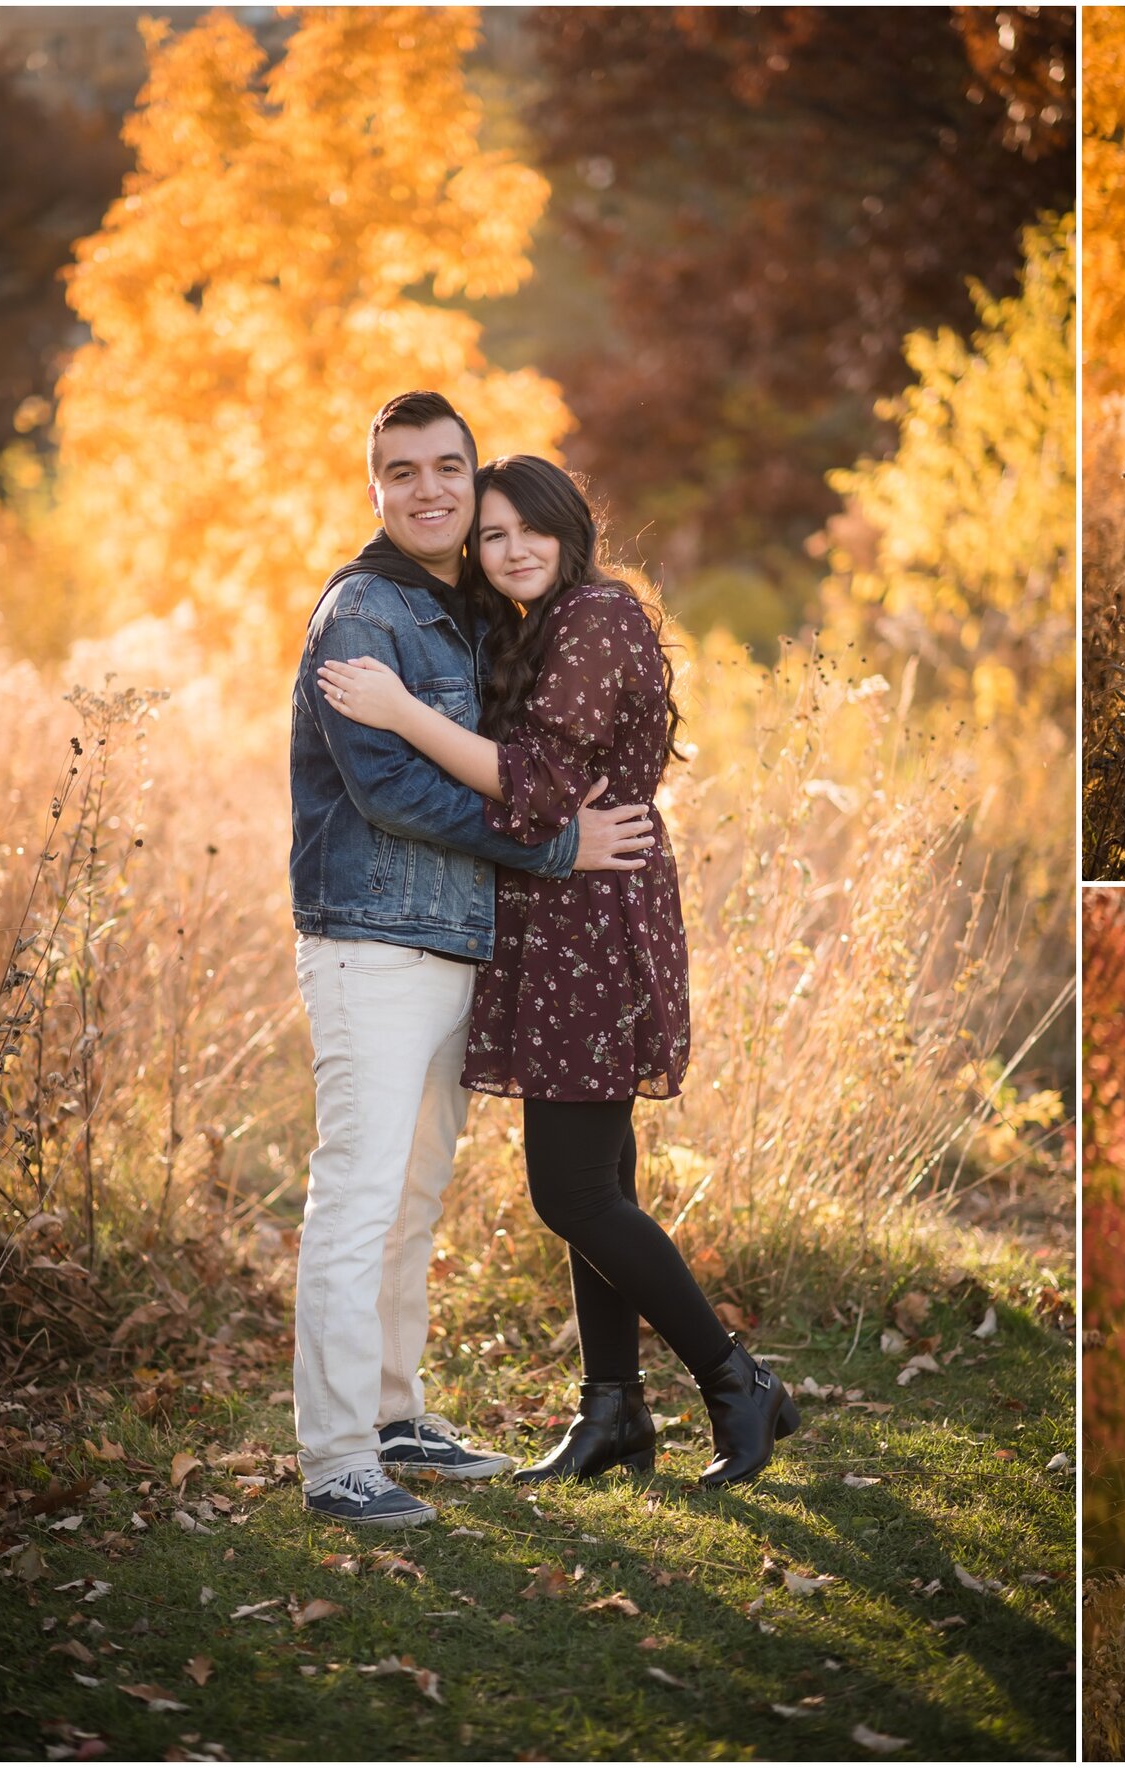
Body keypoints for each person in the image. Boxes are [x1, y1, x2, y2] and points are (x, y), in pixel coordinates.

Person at [318, 454, 799, 1491]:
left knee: (572, 1190)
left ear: (570, 529)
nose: (511, 548)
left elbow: (533, 786)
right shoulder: (537, 627)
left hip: (594, 922)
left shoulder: (597, 619)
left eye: (529, 528)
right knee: (602, 1178)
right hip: (549, 918)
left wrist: (400, 710)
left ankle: (733, 1378)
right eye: (492, 537)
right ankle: (613, 1409)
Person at [290, 391, 657, 1529]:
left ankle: (396, 1414)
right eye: (404, 472)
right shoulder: (364, 613)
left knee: (412, 1199)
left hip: (458, 944)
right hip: (372, 945)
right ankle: (338, 1455)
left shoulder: (471, 611)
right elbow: (390, 789)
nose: (431, 489)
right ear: (377, 491)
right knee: (356, 1198)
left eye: (448, 465)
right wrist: (560, 846)